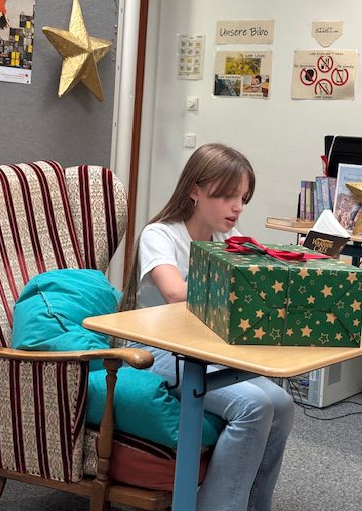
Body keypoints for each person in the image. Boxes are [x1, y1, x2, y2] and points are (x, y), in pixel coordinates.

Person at [120, 143, 294, 511]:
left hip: (202, 349)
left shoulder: (227, 238)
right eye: (228, 196)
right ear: (194, 190)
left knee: (282, 403)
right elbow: (174, 293)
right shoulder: (160, 234)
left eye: (243, 198)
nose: (238, 207)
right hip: (153, 350)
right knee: (253, 407)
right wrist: (241, 284)